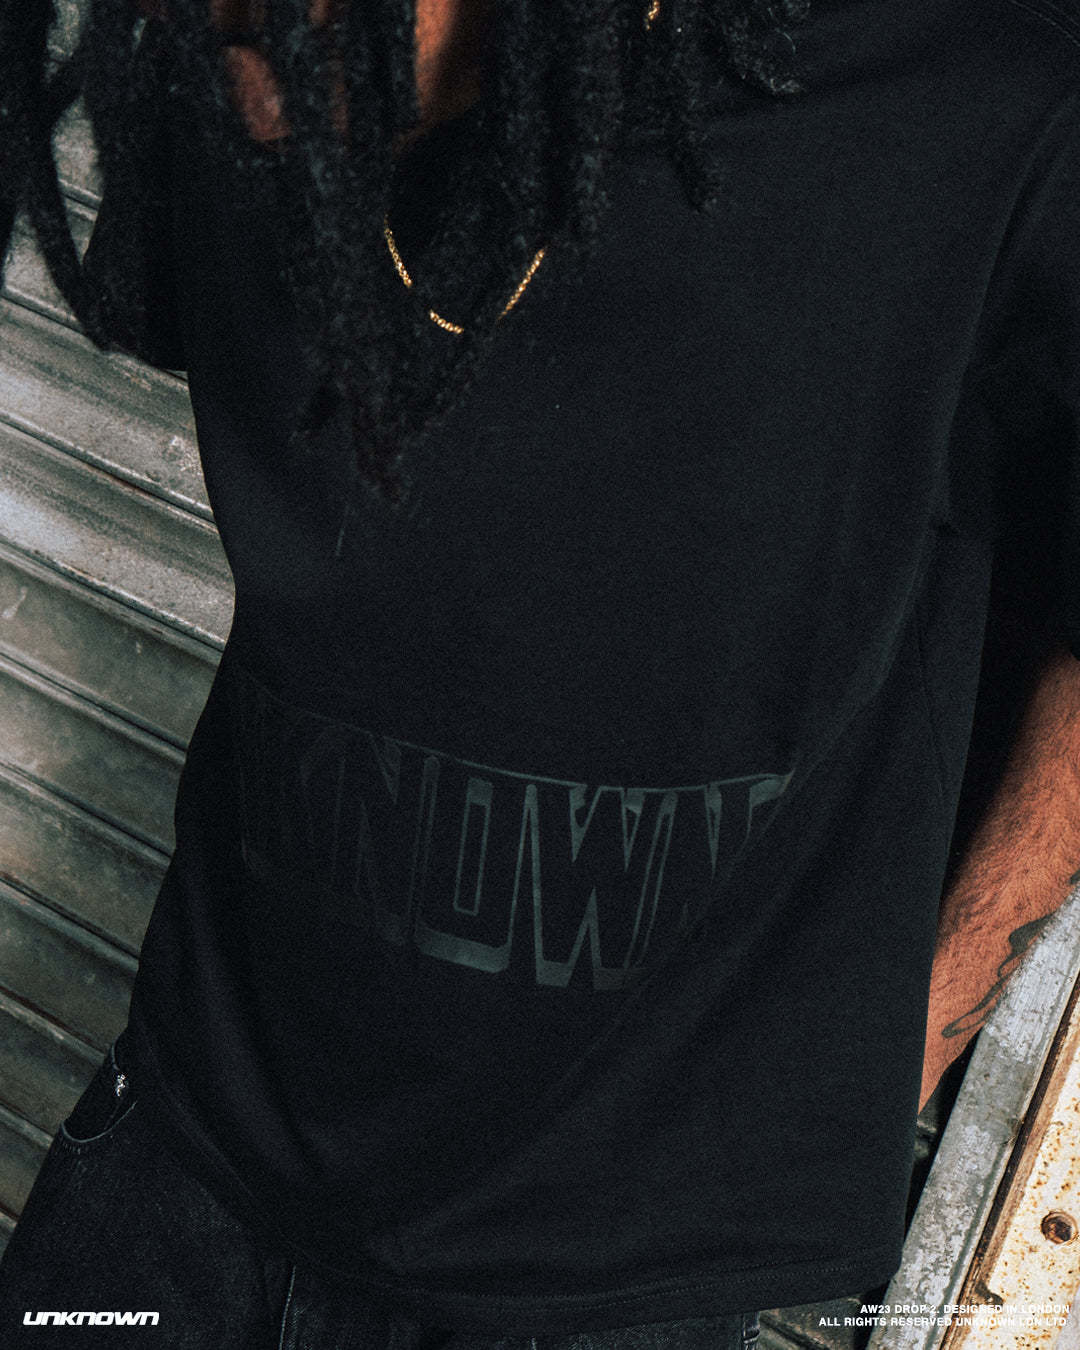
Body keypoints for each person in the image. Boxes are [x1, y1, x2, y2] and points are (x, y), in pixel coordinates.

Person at [1, 0, 1080, 1345]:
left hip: (598, 1285)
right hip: (178, 1166)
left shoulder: (965, 87)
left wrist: (922, 1016)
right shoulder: (223, 65)